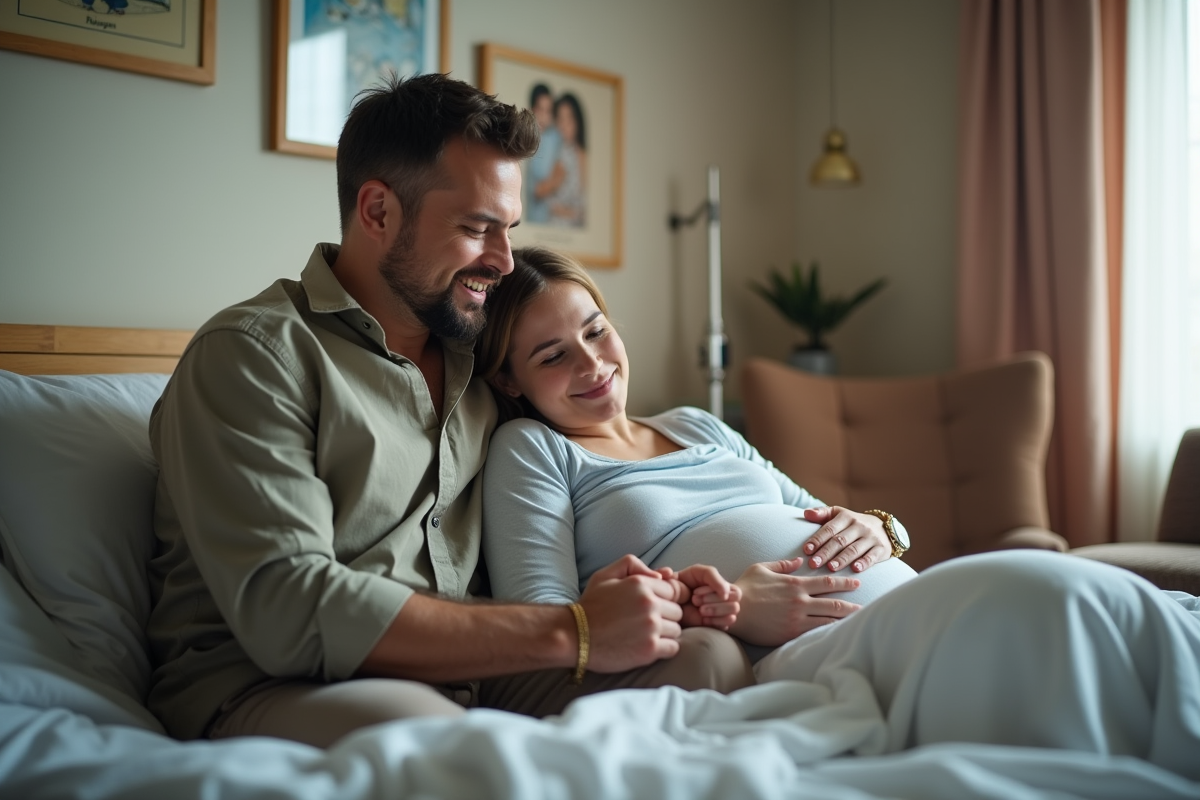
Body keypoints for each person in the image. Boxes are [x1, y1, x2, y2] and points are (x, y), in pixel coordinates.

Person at [144, 73, 757, 750]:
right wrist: (574, 630)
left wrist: (657, 591)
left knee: (707, 660)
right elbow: (289, 609)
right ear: (377, 212)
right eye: (477, 229)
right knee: (440, 740)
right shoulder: (255, 355)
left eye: (509, 230)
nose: (502, 261)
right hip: (275, 683)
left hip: (473, 673)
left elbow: (586, 466)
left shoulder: (483, 365)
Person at [475, 247, 918, 656]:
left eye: (596, 331)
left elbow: (827, 520)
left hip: (898, 603)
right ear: (509, 381)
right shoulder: (534, 448)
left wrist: (883, 528)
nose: (591, 363)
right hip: (792, 651)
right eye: (553, 356)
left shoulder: (695, 423)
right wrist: (723, 607)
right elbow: (544, 619)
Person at [547, 93, 587, 227]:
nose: (564, 125)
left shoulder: (583, 155)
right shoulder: (553, 152)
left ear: (578, 121)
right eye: (560, 119)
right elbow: (547, 203)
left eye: (569, 118)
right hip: (553, 227)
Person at [523, 83, 561, 224]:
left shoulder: (554, 138)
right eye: (540, 109)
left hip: (551, 219)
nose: (544, 116)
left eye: (548, 111)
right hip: (531, 216)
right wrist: (556, 181)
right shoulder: (525, 140)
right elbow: (537, 191)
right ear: (532, 109)